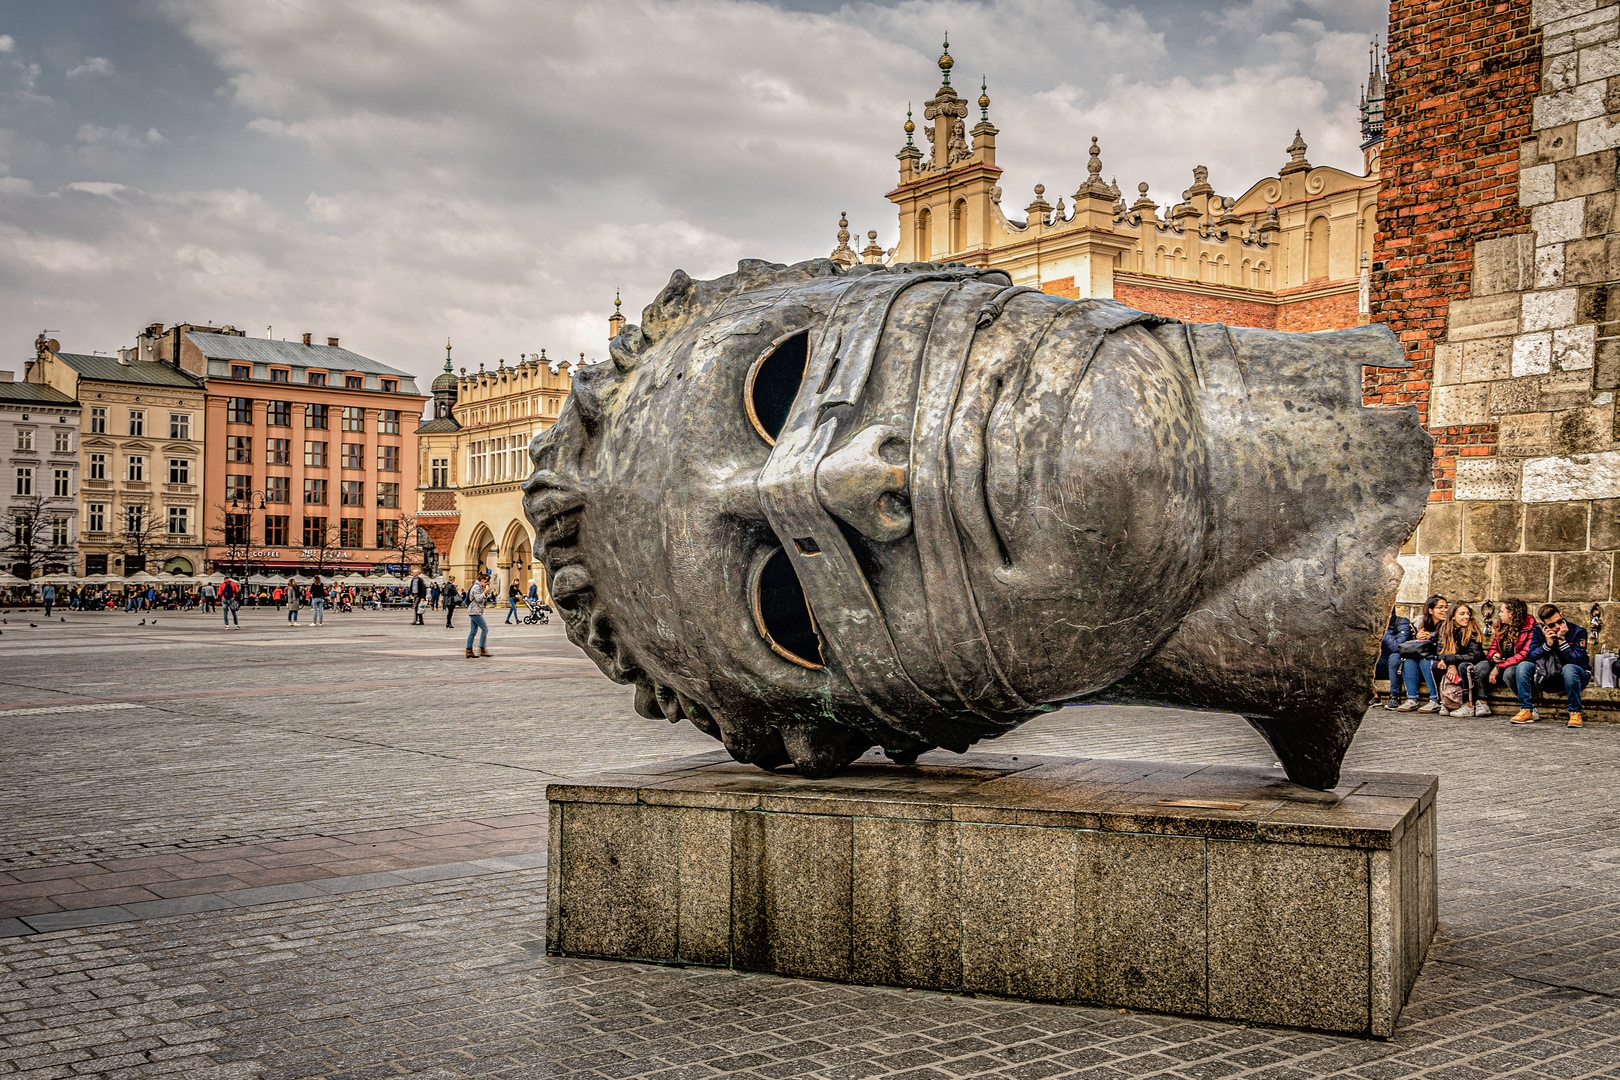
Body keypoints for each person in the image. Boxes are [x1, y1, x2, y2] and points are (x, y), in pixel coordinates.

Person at [1475, 597, 1543, 724]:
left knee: (1510, 672)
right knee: (1481, 667)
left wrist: (1499, 667)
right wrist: (1494, 655)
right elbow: (1493, 647)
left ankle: (1529, 708)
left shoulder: (1532, 628)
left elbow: (1524, 654)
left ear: (1511, 613)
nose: (1499, 614)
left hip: (1519, 666)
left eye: (1502, 611)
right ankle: (1482, 702)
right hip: (1502, 662)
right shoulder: (1500, 626)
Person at [1528, 603, 1590, 728]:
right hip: (1550, 675)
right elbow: (1531, 657)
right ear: (1545, 625)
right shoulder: (1539, 632)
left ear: (1561, 615)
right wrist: (1547, 645)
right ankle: (1526, 710)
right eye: (1551, 625)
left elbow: (1576, 661)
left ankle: (1575, 712)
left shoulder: (1578, 632)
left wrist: (1562, 639)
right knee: (1523, 666)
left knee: (1569, 668)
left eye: (1559, 621)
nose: (1557, 626)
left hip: (1578, 675)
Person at [1394, 595, 1448, 711]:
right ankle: (1411, 699)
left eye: (1446, 607)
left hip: (1439, 657)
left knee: (1426, 661)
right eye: (1440, 607)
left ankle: (1435, 699)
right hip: (1423, 654)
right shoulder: (1420, 622)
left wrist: (1432, 637)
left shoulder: (1448, 624)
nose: (1444, 610)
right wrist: (1417, 637)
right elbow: (1411, 645)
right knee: (1409, 660)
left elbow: (1445, 645)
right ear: (1430, 610)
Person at [1433, 603, 1488, 716]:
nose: (1466, 617)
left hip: (1473, 663)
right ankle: (1443, 701)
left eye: (1467, 614)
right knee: (1436, 665)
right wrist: (1451, 665)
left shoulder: (1473, 630)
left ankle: (1468, 705)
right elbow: (1440, 652)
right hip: (1455, 663)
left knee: (1464, 666)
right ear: (1453, 616)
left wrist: (1451, 660)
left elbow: (1474, 656)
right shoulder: (1445, 629)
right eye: (1462, 614)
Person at [465, 570, 492, 657]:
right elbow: (478, 599)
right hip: (474, 611)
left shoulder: (479, 587)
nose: (489, 583)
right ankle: (482, 648)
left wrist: (485, 592)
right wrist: (485, 592)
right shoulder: (477, 587)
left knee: (473, 631)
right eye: (488, 581)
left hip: (475, 611)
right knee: (485, 629)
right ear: (483, 580)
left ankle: (469, 650)